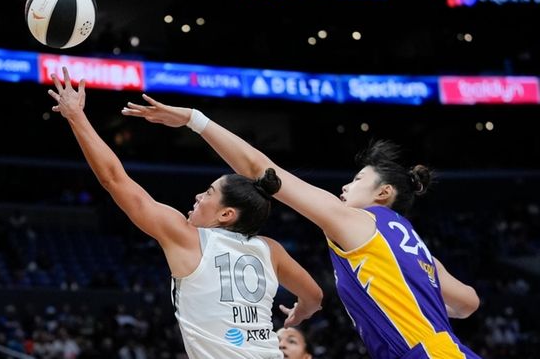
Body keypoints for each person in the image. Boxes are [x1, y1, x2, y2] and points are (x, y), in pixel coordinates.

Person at [122, 94, 482, 359]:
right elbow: (468, 303)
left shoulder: (359, 221)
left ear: (383, 193)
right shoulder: (414, 250)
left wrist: (194, 120)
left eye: (356, 180)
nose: (344, 187)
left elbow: (259, 171)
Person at [47, 69, 323, 358]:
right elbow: (315, 297)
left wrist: (76, 116)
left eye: (208, 193)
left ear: (226, 214)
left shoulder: (188, 237)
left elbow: (114, 180)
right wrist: (301, 311)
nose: (198, 197)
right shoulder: (271, 249)